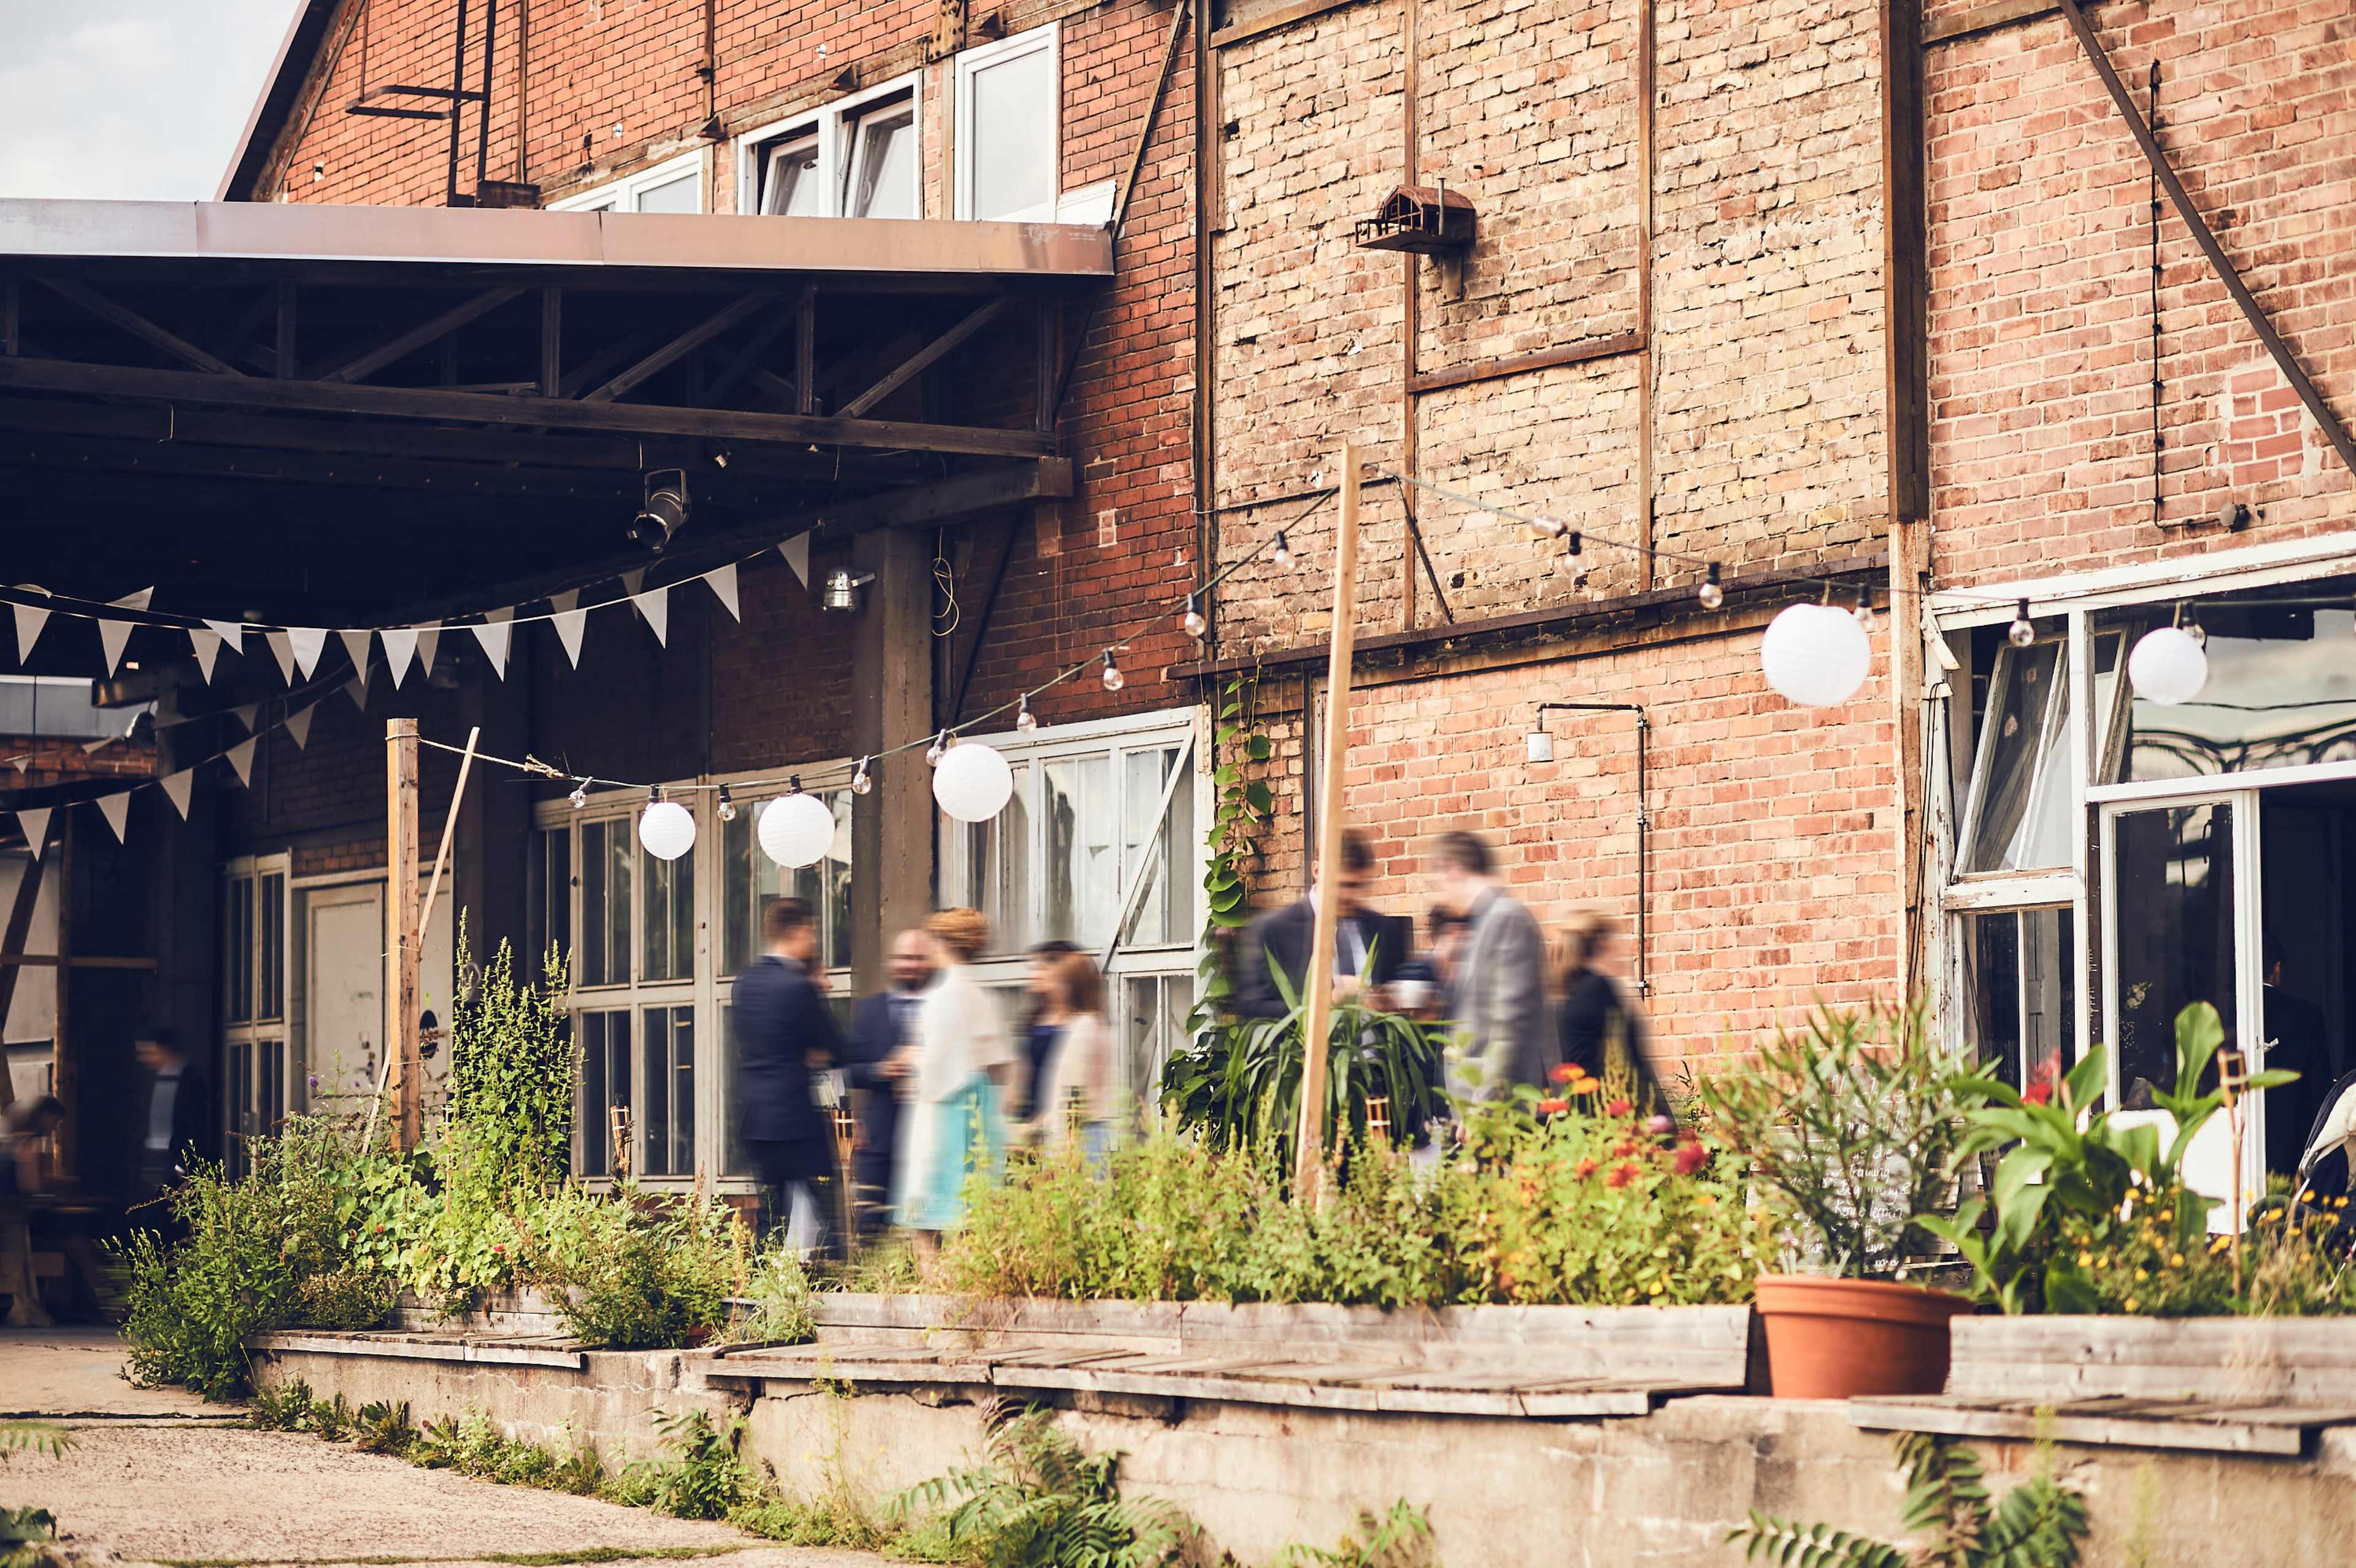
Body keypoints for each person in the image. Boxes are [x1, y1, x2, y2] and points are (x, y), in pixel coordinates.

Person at [732, 897, 847, 1260]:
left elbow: (750, 1044)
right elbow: (834, 1046)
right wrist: (811, 1052)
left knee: (770, 1213)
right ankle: (836, 1284)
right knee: (826, 1203)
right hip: (795, 1116)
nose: (812, 941)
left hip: (754, 1115)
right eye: (811, 933)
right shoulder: (798, 987)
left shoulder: (744, 985)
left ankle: (761, 1290)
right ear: (796, 932)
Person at [895, 907, 1015, 1246]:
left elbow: (935, 1063)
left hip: (944, 1107)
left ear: (943, 942)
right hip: (981, 1110)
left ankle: (934, 1291)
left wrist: (911, 1060)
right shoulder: (985, 997)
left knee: (925, 1216)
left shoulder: (940, 998)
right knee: (971, 1216)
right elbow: (1001, 1061)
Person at [1235, 828, 1414, 1018]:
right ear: (1317, 870)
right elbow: (1253, 1008)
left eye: (1359, 886)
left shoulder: (1385, 930)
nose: (1350, 896)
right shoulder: (1274, 931)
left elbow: (1399, 1009)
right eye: (1342, 885)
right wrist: (1327, 1001)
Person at [1430, 830, 1555, 1101]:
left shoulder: (1507, 920)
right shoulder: (1486, 923)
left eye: (1440, 883)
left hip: (1497, 1113)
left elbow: (1509, 1030)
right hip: (1478, 1113)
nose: (1444, 896)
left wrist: (1481, 1108)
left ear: (1454, 871)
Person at [842, 929, 934, 1240]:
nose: (911, 965)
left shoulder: (940, 1006)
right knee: (872, 1230)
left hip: (930, 1135)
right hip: (880, 1138)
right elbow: (850, 1070)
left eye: (919, 958)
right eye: (905, 958)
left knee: (924, 1229)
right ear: (893, 962)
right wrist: (883, 1070)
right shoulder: (871, 1010)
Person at [1557, 911, 1669, 1116]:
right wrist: (1665, 1123)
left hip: (1575, 1113)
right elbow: (1632, 1057)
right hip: (1605, 1112)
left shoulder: (1567, 991)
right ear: (1601, 943)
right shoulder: (1597, 988)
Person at [1024, 950, 1116, 1161]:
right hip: (1087, 1128)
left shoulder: (1083, 1027)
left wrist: (1061, 1143)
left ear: (1072, 987)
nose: (1054, 988)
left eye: (1060, 981)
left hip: (1079, 1132)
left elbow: (1073, 1091)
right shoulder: (1095, 1023)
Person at [2263, 934, 2331, 1181]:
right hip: (2293, 1146)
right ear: (2277, 969)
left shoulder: (2226, 1016)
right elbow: (2320, 1092)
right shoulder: (2308, 1017)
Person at [135, 1028, 208, 1194]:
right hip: (156, 1161)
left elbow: (195, 1124)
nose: (146, 1058)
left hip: (175, 1163)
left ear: (164, 1050)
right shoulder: (158, 1078)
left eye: (151, 1052)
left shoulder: (189, 1078)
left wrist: (182, 1165)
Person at [1017, 940, 1082, 1122]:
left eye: (1043, 968)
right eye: (1033, 968)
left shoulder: (1081, 1021)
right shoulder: (1035, 1017)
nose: (1035, 975)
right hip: (1033, 1116)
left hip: (1065, 1119)